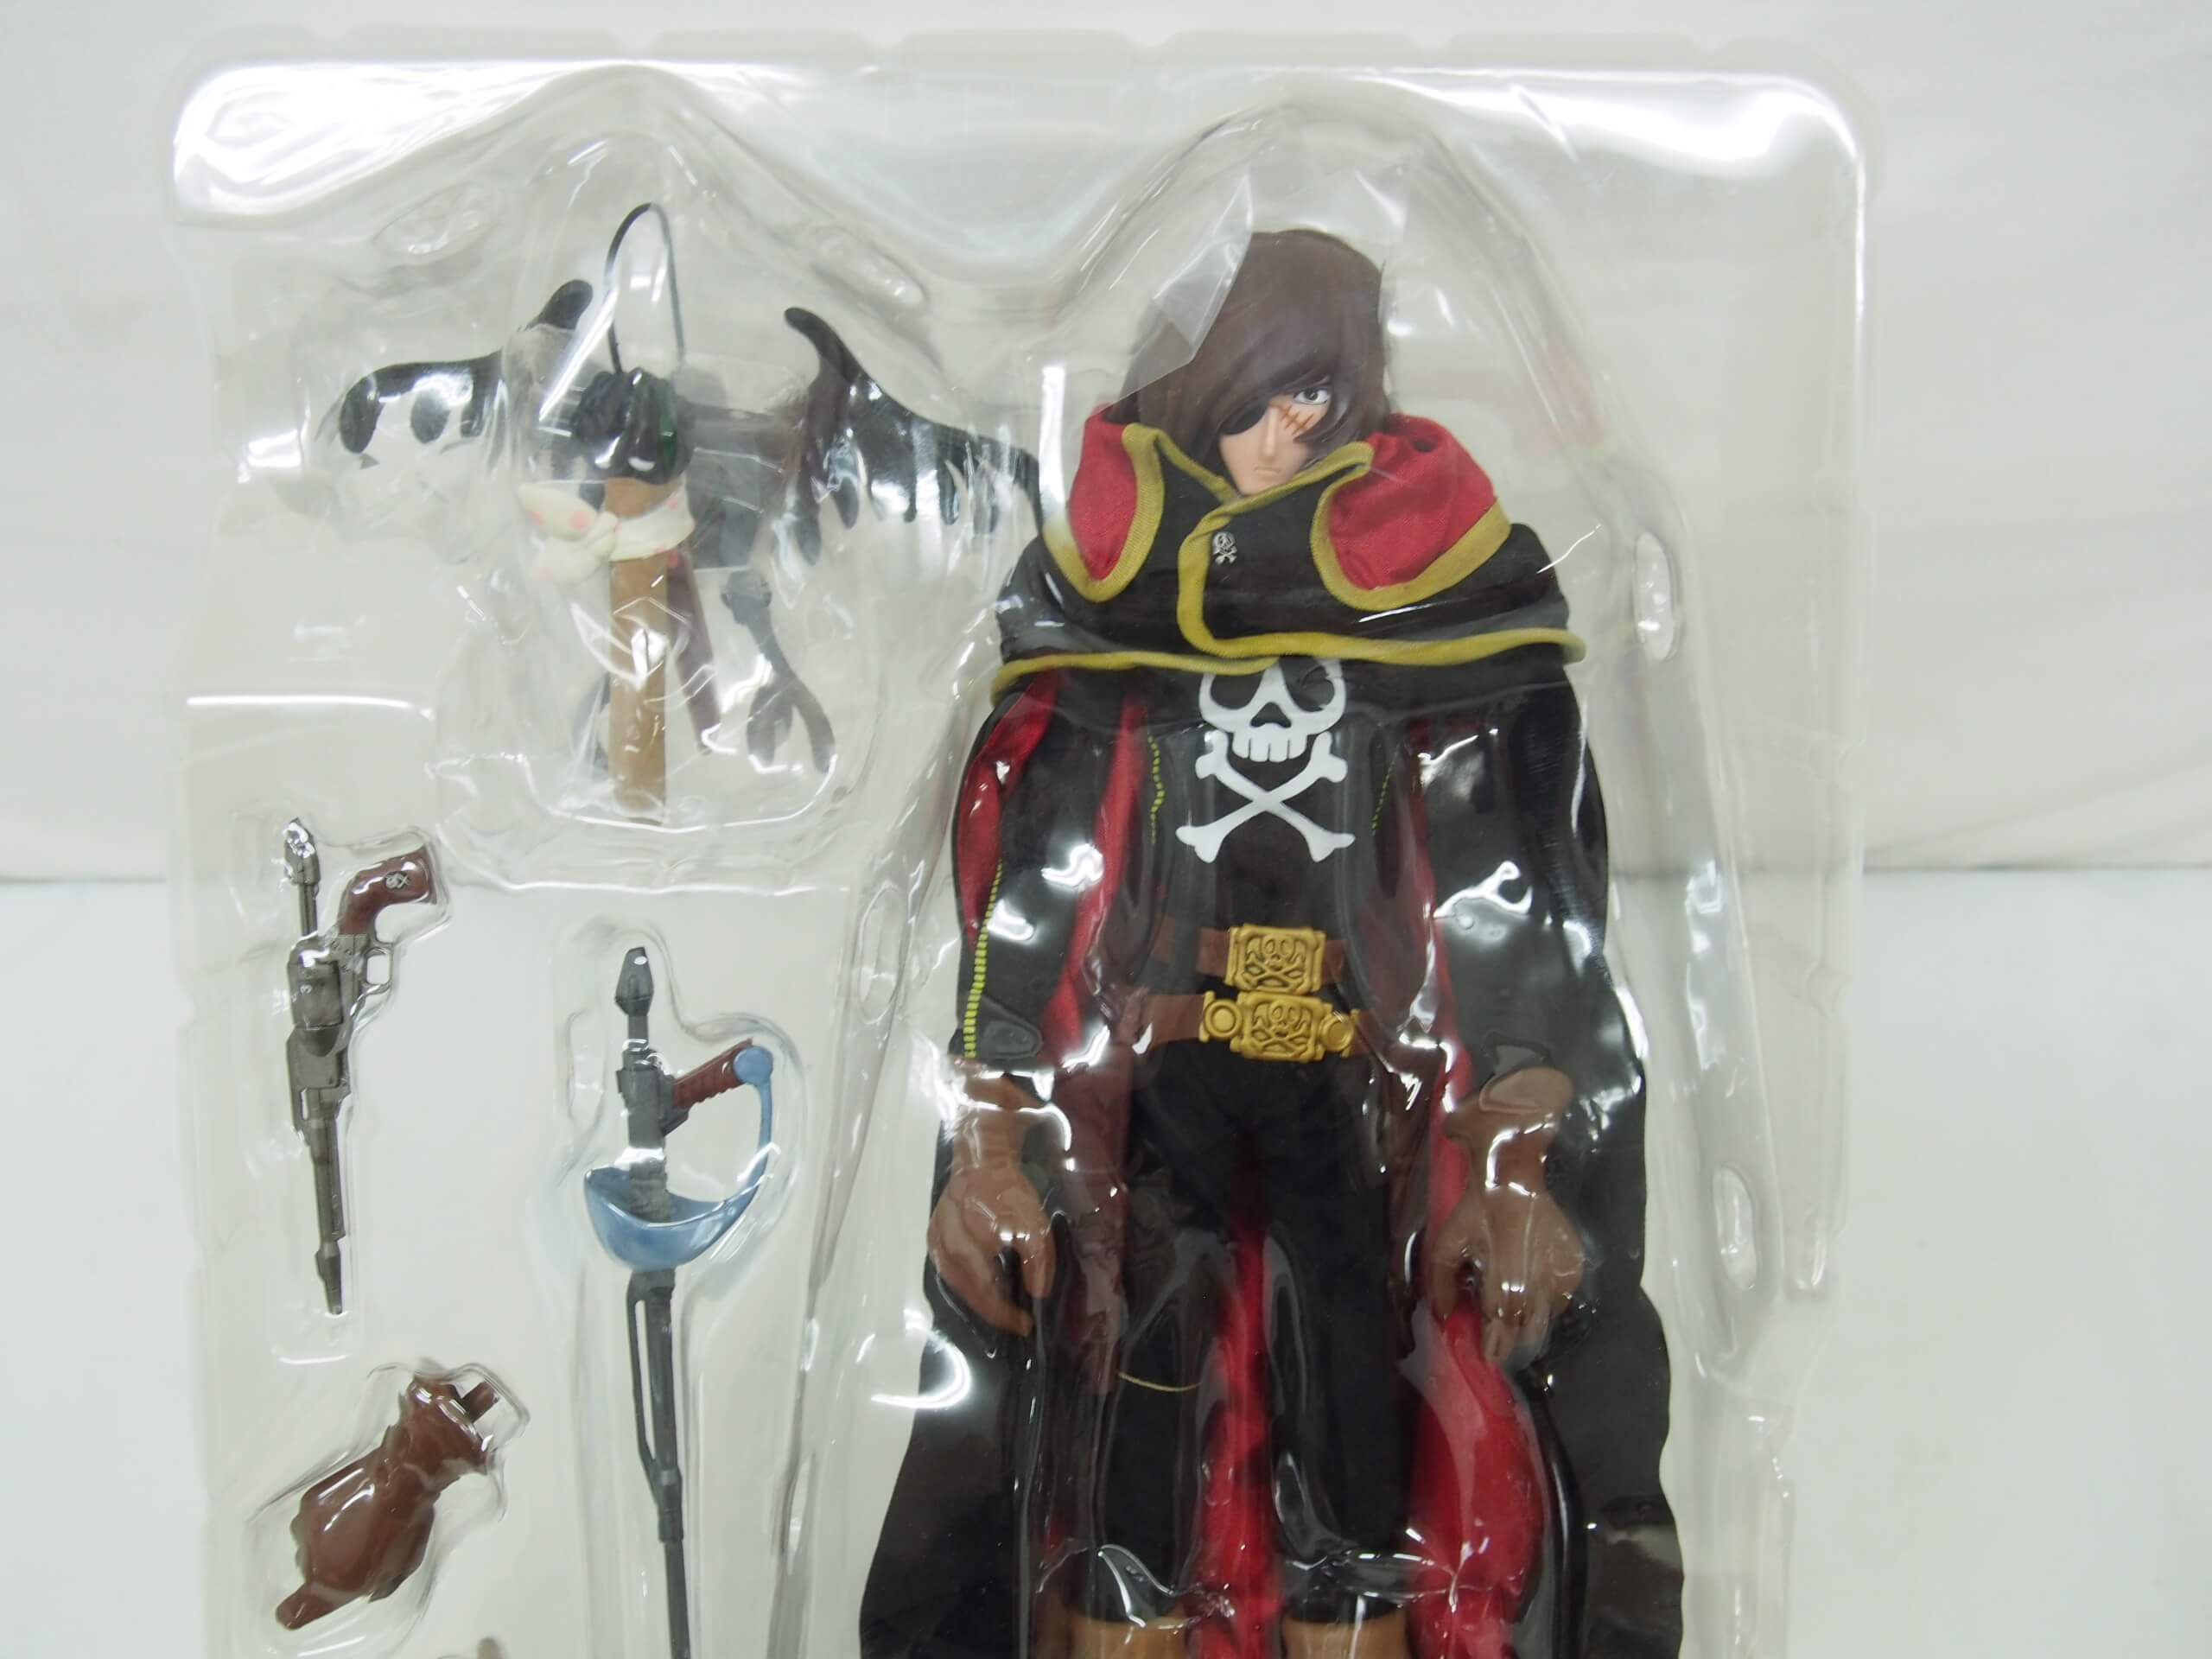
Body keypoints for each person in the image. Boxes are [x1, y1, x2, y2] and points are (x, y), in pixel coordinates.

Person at [861, 229, 1680, 1659]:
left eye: (1323, 399)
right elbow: (1028, 906)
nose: (1293, 429)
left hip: (1344, 1083)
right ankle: (1120, 1617)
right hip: (1163, 1072)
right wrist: (993, 1133)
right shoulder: (1109, 593)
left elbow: (1512, 889)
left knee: (1356, 1373)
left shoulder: (1445, 598)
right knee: (1137, 1371)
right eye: (1268, 394)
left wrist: (1513, 1156)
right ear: (1208, 389)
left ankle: (1353, 1616)